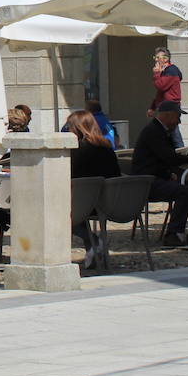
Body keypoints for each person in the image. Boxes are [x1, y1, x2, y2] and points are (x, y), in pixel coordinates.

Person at [131, 101, 188, 246]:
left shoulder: (160, 131)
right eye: (178, 117)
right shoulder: (153, 131)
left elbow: (163, 158)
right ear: (168, 115)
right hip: (147, 182)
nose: (179, 122)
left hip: (156, 177)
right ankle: (174, 233)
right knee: (185, 191)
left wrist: (169, 172)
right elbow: (168, 157)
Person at [67, 109, 120, 268]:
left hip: (85, 205)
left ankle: (93, 242)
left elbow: (70, 177)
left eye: (70, 127)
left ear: (77, 128)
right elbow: (115, 174)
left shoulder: (77, 151)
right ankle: (92, 248)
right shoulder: (107, 147)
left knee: (56, 212)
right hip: (109, 201)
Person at [148, 48, 185, 148]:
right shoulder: (164, 72)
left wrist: (156, 73)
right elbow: (160, 93)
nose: (155, 60)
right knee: (168, 134)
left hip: (170, 107)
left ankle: (181, 154)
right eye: (155, 57)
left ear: (166, 59)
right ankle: (175, 154)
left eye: (157, 57)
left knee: (173, 133)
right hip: (164, 106)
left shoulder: (171, 71)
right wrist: (153, 107)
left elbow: (161, 86)